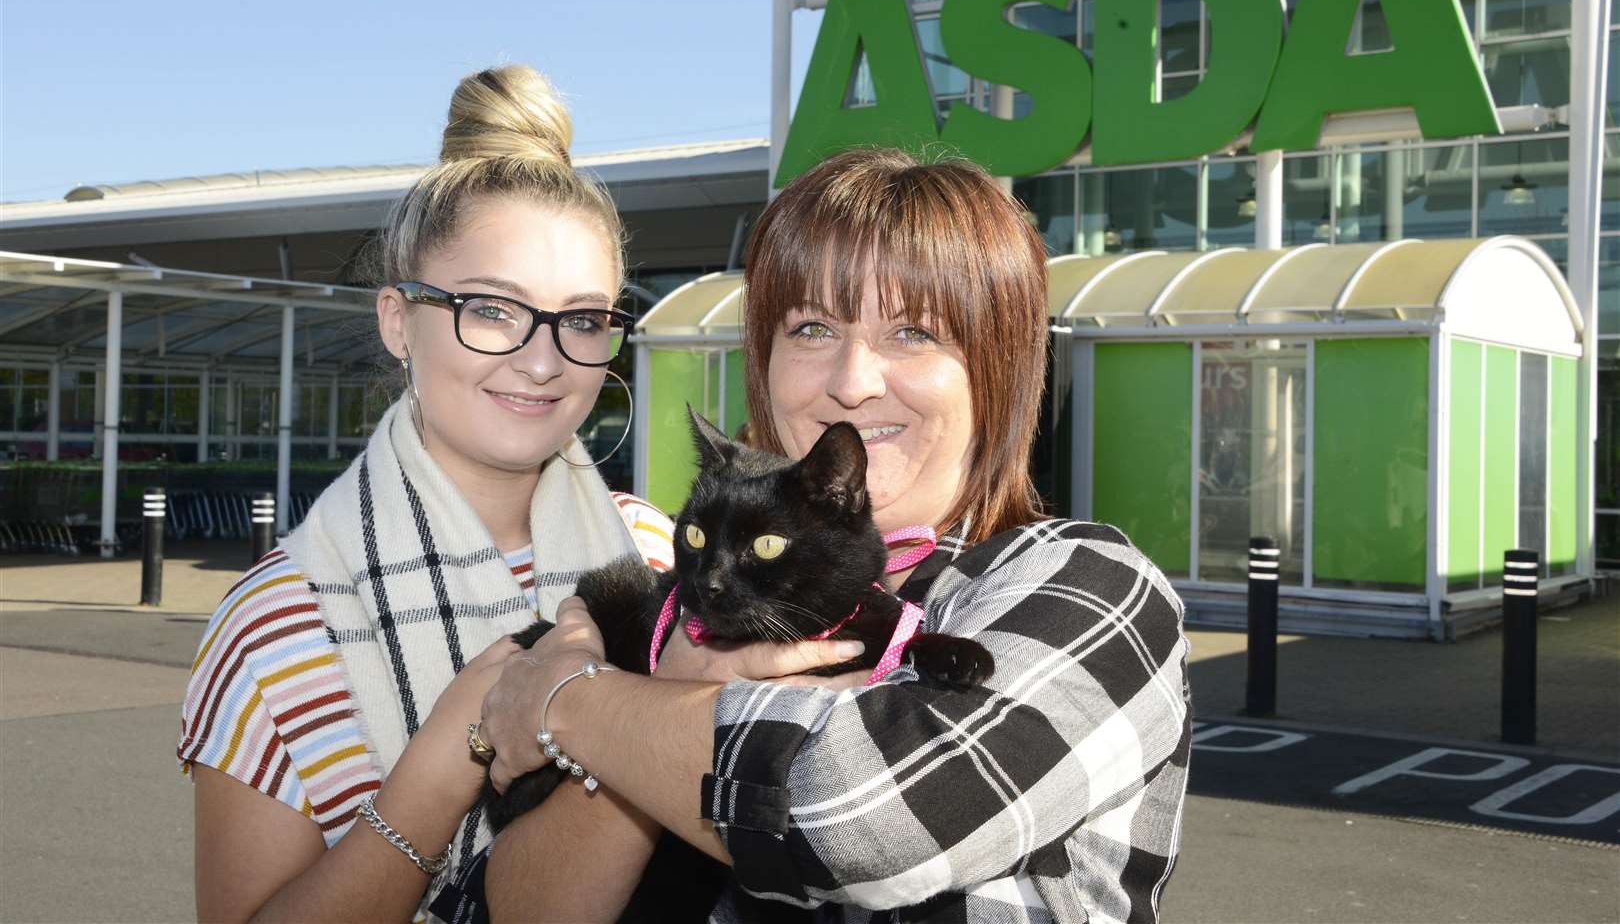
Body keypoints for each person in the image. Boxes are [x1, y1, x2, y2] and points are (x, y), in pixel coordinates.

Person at [479, 149, 1192, 923]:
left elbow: (862, 827)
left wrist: (574, 705)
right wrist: (653, 703)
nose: (853, 382)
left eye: (914, 333)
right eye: (812, 327)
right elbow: (522, 910)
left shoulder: (1086, 584)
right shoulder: (715, 592)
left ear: (998, 368)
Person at [176, 64, 684, 923]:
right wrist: (438, 773)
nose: (544, 358)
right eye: (491, 308)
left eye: (585, 319)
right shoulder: (274, 625)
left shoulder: (658, 551)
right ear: (396, 320)